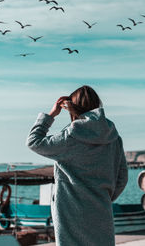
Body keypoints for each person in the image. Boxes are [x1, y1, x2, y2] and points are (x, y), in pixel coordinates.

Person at [26, 85, 128, 246]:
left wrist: (51, 115)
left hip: (70, 209)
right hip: (101, 209)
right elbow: (122, 177)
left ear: (72, 108)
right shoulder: (113, 136)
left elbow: (34, 142)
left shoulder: (71, 136)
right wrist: (103, 198)